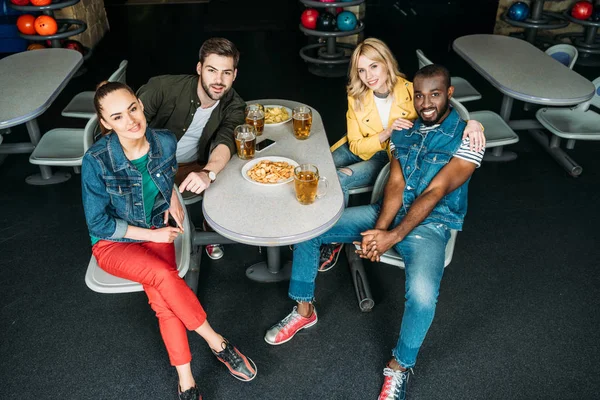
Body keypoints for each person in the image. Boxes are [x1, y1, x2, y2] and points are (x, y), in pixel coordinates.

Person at [264, 64, 484, 400]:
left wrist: (391, 237)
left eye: (435, 95)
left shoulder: (469, 138)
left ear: (449, 94)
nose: (426, 103)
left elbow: (435, 192)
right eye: (420, 95)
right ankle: (304, 311)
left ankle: (399, 366)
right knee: (309, 228)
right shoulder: (405, 131)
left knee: (423, 296)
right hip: (387, 212)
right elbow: (395, 183)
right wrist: (378, 231)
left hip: (431, 225)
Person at [82, 82, 256, 400]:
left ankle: (186, 383)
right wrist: (152, 235)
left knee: (165, 305)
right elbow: (99, 223)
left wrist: (171, 196)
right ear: (106, 123)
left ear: (140, 104)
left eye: (133, 109)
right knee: (165, 277)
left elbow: (166, 175)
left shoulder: (164, 141)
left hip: (156, 227)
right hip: (114, 242)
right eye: (118, 117)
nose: (131, 121)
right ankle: (218, 342)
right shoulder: (96, 160)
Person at [318, 38, 486, 272]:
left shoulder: (412, 91)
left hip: (390, 157)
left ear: (386, 63)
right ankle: (312, 225)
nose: (369, 76)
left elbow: (443, 108)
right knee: (318, 170)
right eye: (362, 70)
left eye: (374, 66)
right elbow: (356, 145)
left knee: (340, 177)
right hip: (366, 144)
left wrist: (474, 122)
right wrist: (386, 132)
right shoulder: (356, 96)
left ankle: (333, 241)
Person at [137, 37, 245, 260]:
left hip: (193, 164)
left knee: (233, 176)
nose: (218, 80)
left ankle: (208, 226)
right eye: (212, 70)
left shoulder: (235, 105)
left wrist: (208, 173)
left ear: (234, 74)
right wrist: (165, 186)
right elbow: (128, 137)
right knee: (152, 231)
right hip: (147, 164)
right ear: (199, 68)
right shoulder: (161, 88)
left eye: (226, 73)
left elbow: (226, 142)